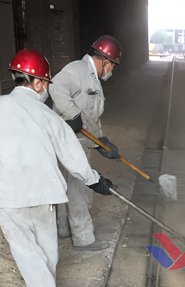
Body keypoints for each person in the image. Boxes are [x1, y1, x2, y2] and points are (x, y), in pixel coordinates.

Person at [0, 49, 114, 287]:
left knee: (26, 250)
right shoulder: (50, 117)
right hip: (46, 191)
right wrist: (96, 180)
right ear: (39, 83)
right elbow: (72, 155)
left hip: (10, 193)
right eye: (46, 83)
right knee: (47, 247)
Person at [49, 35, 121, 250]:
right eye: (113, 65)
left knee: (68, 186)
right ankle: (83, 239)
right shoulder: (77, 69)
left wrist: (100, 141)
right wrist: (71, 113)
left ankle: (64, 229)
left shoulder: (93, 79)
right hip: (67, 140)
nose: (112, 70)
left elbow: (90, 116)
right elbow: (55, 86)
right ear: (106, 61)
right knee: (79, 188)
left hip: (79, 141)